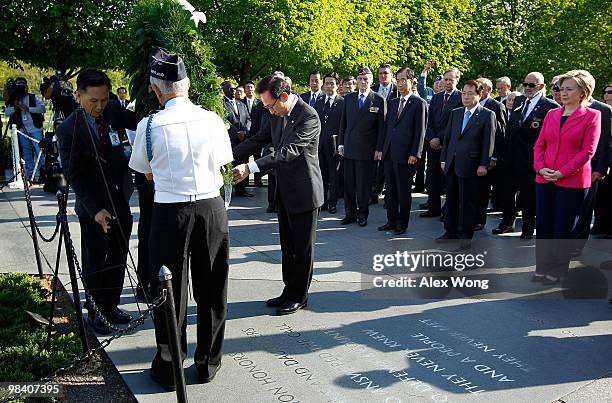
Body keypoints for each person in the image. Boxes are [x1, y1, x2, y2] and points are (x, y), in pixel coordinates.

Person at [129, 49, 233, 389]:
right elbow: (221, 163)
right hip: (211, 207)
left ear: (156, 91)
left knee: (168, 289)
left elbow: (144, 172)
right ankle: (208, 362)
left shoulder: (148, 125)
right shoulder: (213, 119)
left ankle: (170, 364)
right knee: (213, 287)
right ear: (187, 85)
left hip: (170, 211)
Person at [56, 69, 139, 334]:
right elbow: (74, 175)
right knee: (95, 258)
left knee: (118, 253)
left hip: (119, 197)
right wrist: (95, 210)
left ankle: (111, 304)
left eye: (103, 99)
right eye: (93, 101)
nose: (99, 106)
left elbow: (141, 121)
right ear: (79, 95)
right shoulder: (69, 128)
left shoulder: (113, 109)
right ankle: (95, 311)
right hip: (93, 206)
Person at [233, 75, 323, 315]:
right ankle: (288, 290)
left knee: (302, 249)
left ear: (283, 97)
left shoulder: (308, 116)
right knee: (287, 246)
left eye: (270, 105)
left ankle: (299, 295)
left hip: (305, 192)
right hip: (284, 190)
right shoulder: (275, 114)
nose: (268, 110)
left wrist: (250, 168)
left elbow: (289, 152)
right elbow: (257, 139)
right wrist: (228, 156)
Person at [533, 70, 601, 284]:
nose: (563, 93)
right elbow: (540, 144)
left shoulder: (593, 116)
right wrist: (540, 168)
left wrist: (562, 172)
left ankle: (558, 270)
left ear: (583, 92)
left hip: (572, 180)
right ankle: (541, 268)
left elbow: (587, 151)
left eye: (569, 89)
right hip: (544, 178)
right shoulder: (552, 114)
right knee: (544, 226)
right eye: (561, 89)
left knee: (562, 227)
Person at [493, 72, 558, 239]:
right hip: (510, 157)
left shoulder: (550, 106)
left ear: (541, 87)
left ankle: (528, 227)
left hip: (530, 159)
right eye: (525, 84)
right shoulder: (519, 101)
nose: (527, 88)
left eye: (532, 85)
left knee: (528, 196)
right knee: (507, 192)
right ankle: (507, 222)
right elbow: (511, 127)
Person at [439, 80, 495, 243]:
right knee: (451, 200)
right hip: (452, 163)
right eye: (464, 93)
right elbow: (448, 138)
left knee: (467, 201)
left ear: (480, 94)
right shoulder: (456, 113)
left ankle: (465, 234)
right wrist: (444, 159)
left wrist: (483, 164)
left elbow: (488, 142)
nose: (466, 97)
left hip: (471, 165)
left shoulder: (487, 114)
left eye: (470, 93)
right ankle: (450, 231)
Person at [376, 67, 427, 235]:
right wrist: (381, 149)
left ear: (412, 82)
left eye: (403, 80)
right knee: (390, 190)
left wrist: (415, 153)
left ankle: (402, 223)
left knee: (403, 191)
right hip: (389, 153)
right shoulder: (392, 103)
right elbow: (386, 129)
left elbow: (420, 131)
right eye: (397, 80)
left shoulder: (419, 103)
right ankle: (391, 220)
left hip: (406, 155)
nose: (400, 83)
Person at [338, 65, 386, 227]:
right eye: (360, 79)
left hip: (367, 150)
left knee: (363, 185)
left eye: (366, 79)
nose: (363, 81)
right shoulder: (349, 98)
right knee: (349, 184)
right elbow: (343, 124)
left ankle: (362, 214)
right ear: (356, 81)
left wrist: (379, 148)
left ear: (371, 81)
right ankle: (350, 213)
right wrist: (341, 143)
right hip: (350, 148)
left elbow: (381, 128)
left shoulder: (378, 100)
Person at [422, 67, 462, 217]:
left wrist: (440, 138)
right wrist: (431, 137)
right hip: (433, 144)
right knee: (432, 178)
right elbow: (429, 120)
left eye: (451, 79)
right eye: (445, 79)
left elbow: (455, 124)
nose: (447, 82)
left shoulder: (460, 98)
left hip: (449, 145)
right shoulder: (437, 97)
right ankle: (433, 207)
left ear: (457, 80)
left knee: (449, 181)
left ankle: (449, 210)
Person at [475, 77, 507, 228]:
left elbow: (500, 134)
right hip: (470, 154)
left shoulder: (496, 106)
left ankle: (479, 220)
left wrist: (494, 156)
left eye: (480, 87)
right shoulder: (469, 104)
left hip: (486, 156)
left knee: (482, 189)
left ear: (488, 90)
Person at [4, 77, 46, 181]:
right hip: (22, 130)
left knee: (39, 150)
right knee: (27, 153)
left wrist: (28, 108)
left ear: (27, 87)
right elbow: (6, 112)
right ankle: (30, 174)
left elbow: (42, 108)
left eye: (22, 85)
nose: (21, 88)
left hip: (35, 129)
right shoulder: (13, 99)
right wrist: (15, 107)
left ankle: (44, 172)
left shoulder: (33, 97)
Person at [314, 72, 344, 214]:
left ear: (337, 85)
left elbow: (344, 125)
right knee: (322, 175)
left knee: (334, 175)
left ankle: (333, 203)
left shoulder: (342, 102)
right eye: (326, 83)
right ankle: (323, 202)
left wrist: (341, 144)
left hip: (334, 145)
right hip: (320, 145)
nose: (328, 86)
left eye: (332, 83)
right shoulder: (319, 101)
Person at [221, 80, 252, 197]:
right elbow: (224, 119)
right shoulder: (221, 103)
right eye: (230, 89)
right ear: (224, 90)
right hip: (231, 139)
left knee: (243, 162)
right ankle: (229, 189)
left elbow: (248, 119)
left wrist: (245, 131)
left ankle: (241, 189)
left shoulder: (241, 104)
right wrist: (236, 132)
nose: (233, 91)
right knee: (230, 164)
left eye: (234, 89)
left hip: (243, 139)